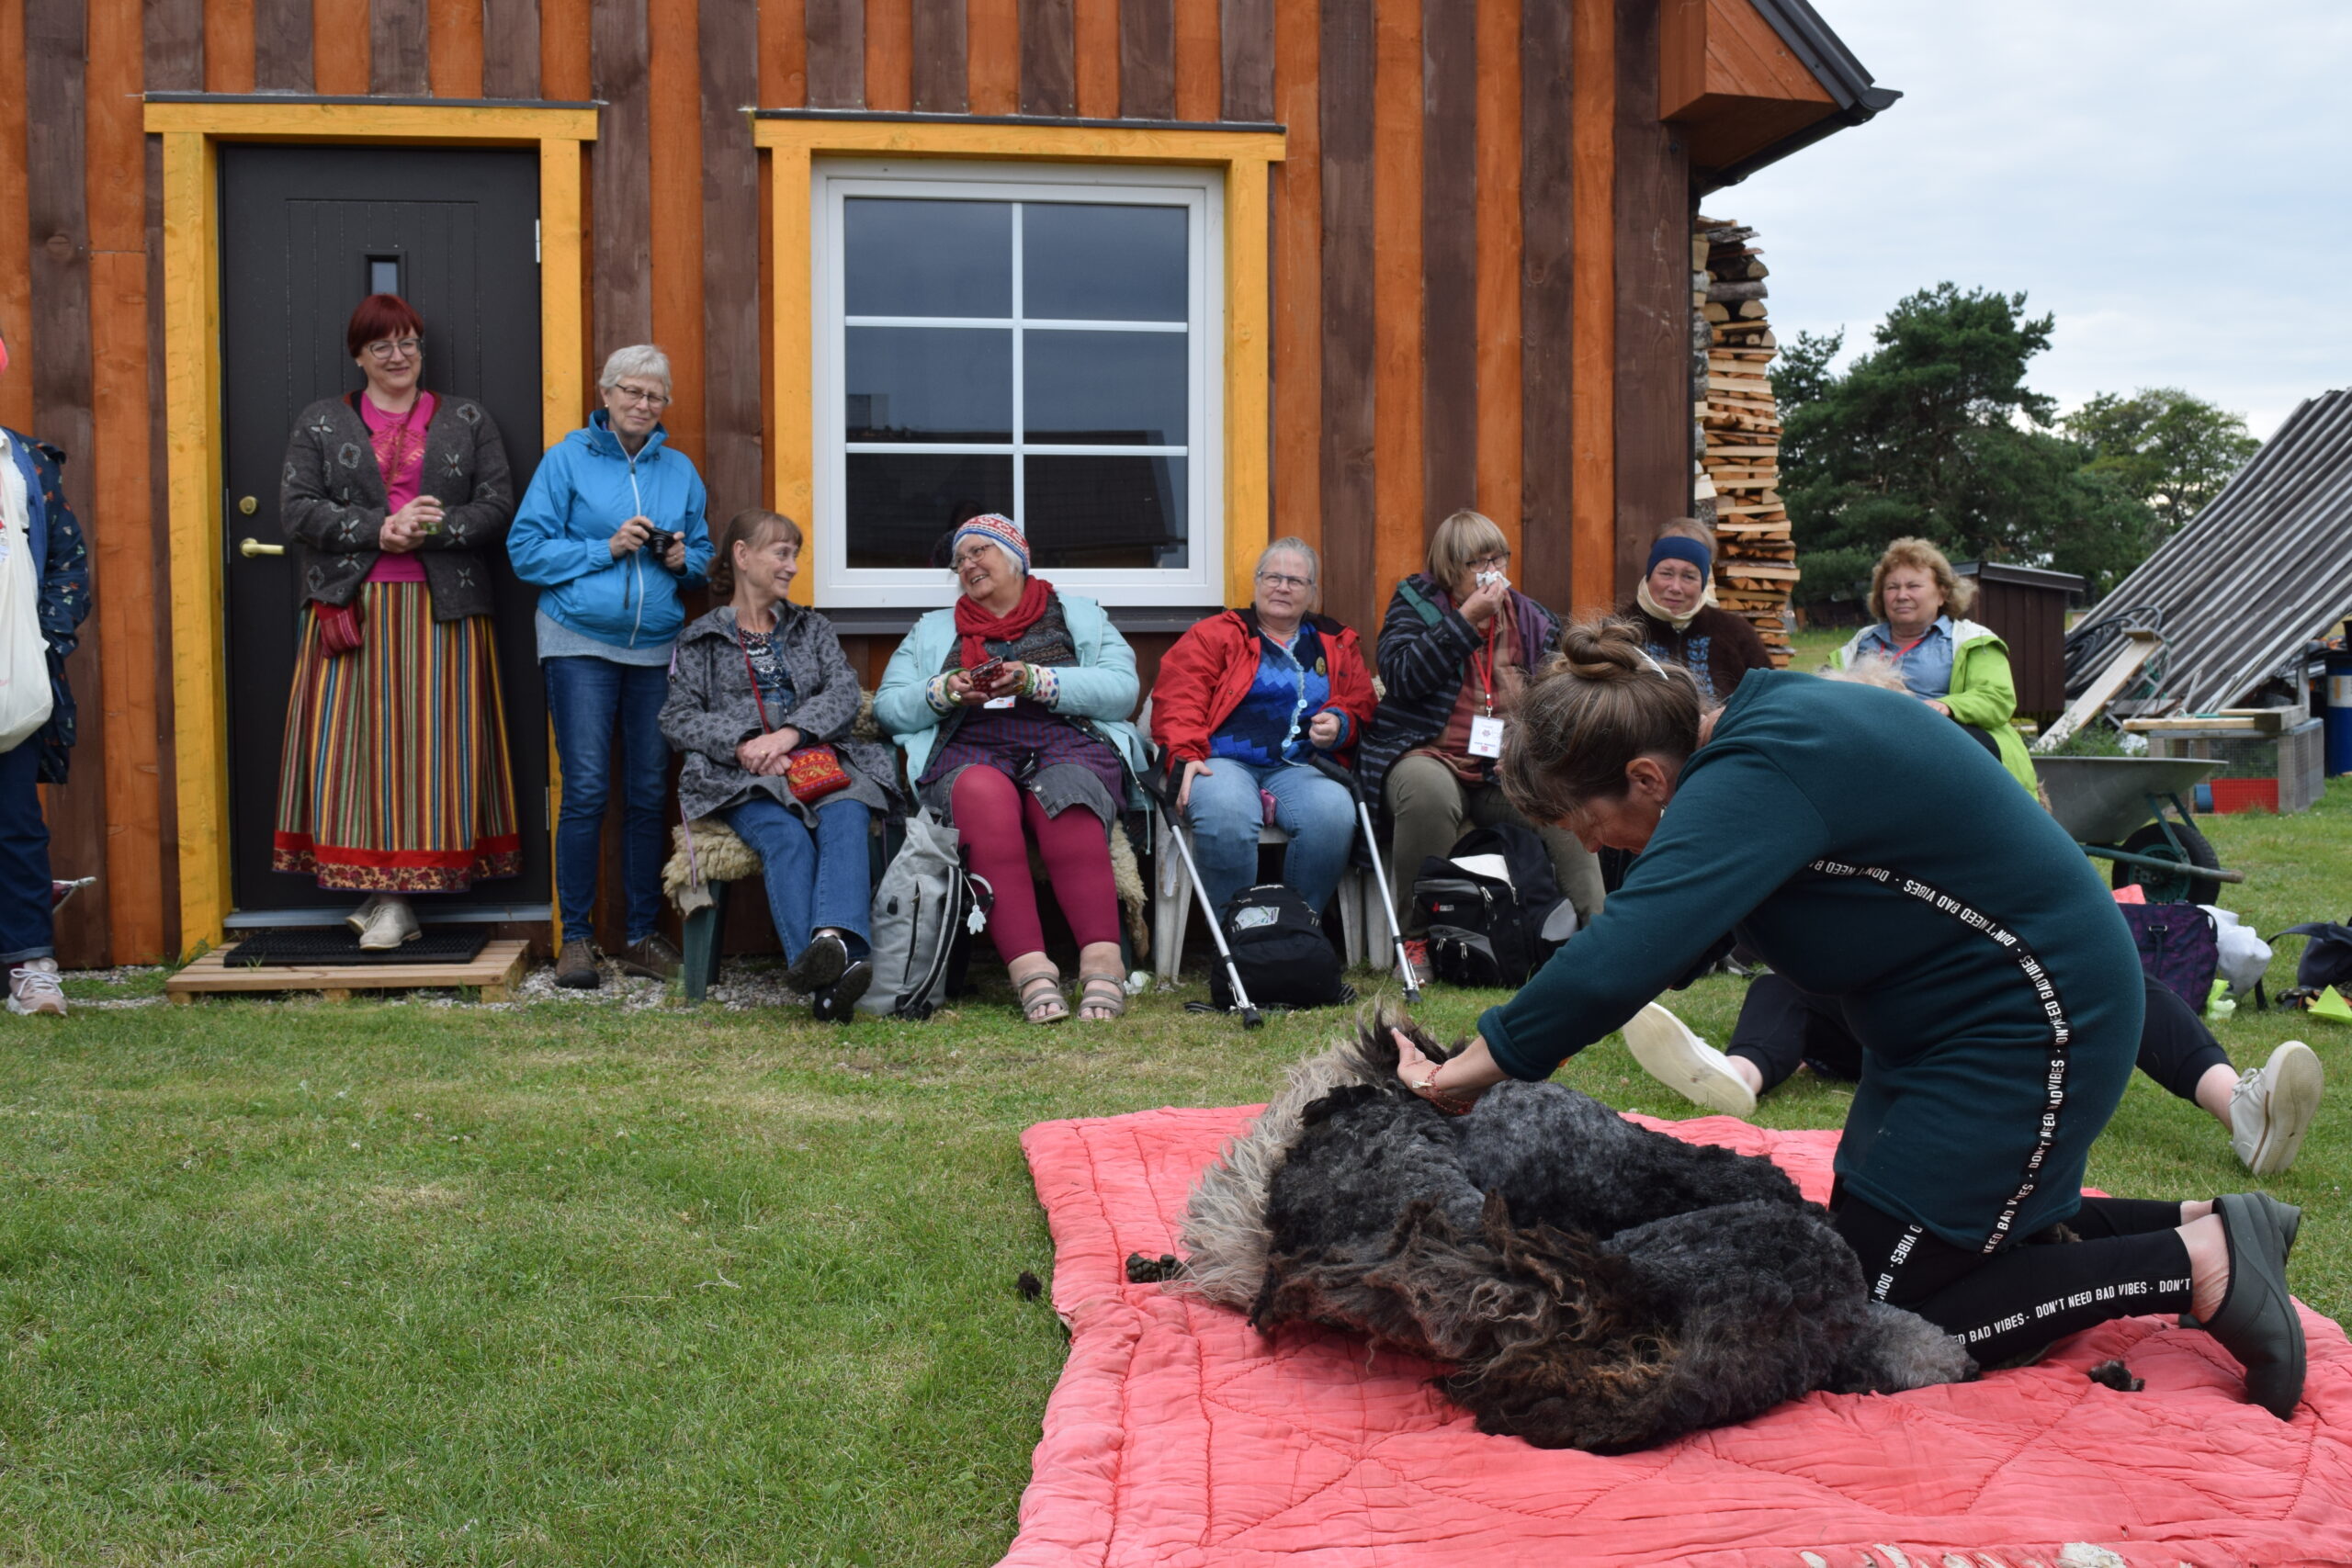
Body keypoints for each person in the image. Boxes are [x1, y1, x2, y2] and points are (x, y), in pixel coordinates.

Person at [1392, 618, 2307, 1419]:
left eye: (1581, 822)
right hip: (1944, 1025)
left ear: (1643, 774)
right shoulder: (1760, 731)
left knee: (1885, 1309)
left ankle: (2204, 1262)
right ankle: (2206, 1217)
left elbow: (1623, 957)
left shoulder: (1753, 771)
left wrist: (1460, 1073)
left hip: (2030, 1018)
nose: (1587, 846)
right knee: (1864, 1248)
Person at [274, 294, 521, 947]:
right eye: (382, 345)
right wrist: (377, 529)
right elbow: (297, 509)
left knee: (434, 750)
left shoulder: (467, 418)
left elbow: (498, 505)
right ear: (358, 354)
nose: (398, 356)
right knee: (359, 752)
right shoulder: (323, 422)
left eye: (409, 342)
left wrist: (429, 528)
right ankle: (382, 894)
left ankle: (399, 899)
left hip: (446, 611)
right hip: (349, 609)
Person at [1627, 971, 2326, 1175]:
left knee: (2125, 987)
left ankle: (2239, 1108)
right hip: (1879, 1022)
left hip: (1985, 1025)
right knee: (1783, 986)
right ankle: (1737, 1077)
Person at [873, 513, 1144, 1024]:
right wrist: (944, 690)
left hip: (1065, 740)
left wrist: (1037, 681)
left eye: (979, 551)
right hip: (969, 745)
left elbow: (1121, 691)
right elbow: (889, 707)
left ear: (1017, 557)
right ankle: (1032, 973)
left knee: (1068, 796)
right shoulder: (933, 630)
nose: (967, 564)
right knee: (981, 798)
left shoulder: (1078, 616)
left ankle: (1102, 966)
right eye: (959, 559)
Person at [509, 344, 714, 989]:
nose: (643, 404)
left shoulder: (679, 470)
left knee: (651, 790)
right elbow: (526, 551)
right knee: (590, 787)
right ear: (605, 394)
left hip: (654, 648)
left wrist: (684, 560)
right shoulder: (566, 460)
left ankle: (639, 935)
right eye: (632, 391)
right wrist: (606, 547)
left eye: (655, 396)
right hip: (578, 644)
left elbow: (705, 553)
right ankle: (575, 938)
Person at [660, 509, 896, 1021]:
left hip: (818, 763)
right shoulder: (700, 639)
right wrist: (744, 742)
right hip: (742, 778)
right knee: (785, 838)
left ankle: (832, 940)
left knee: (848, 811)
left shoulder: (812, 628)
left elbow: (841, 693)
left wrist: (791, 733)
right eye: (781, 553)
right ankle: (830, 981)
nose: (791, 566)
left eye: (795, 554)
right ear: (742, 556)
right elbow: (677, 718)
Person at [1357, 509, 1605, 978]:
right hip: (1428, 754)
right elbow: (1402, 678)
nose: (1491, 570)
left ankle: (1602, 939)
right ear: (1450, 568)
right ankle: (1417, 942)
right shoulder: (1415, 603)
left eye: (1498, 557)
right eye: (1477, 562)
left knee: (1562, 801)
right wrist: (1465, 621)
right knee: (1426, 793)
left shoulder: (1532, 619)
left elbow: (1560, 692)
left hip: (1501, 768)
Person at [1148, 537, 1374, 919]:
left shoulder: (1335, 642)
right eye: (1273, 577)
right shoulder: (1217, 633)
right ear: (1256, 583)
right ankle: (1237, 933)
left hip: (1301, 766)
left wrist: (1340, 722)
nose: (1283, 587)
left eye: (1296, 581)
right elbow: (1178, 696)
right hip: (1223, 760)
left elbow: (1361, 702)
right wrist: (1185, 754)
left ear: (1312, 593)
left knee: (1335, 814)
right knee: (1225, 814)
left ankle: (1296, 930)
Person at [0, 323, 90, 1016]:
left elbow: (67, 563)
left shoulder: (28, 463)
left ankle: (32, 966)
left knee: (15, 822)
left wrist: (48, 643)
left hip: (13, 677)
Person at [1834, 537, 2036, 792]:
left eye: (1913, 586)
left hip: (1948, 749)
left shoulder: (1973, 640)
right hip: (1870, 747)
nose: (1901, 595)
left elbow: (1996, 697)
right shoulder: (1858, 645)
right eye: (1892, 587)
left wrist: (1947, 705)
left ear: (1942, 593)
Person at [1617, 518, 1773, 704]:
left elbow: (1770, 698)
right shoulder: (1618, 631)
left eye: (1688, 576)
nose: (1675, 587)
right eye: (1666, 573)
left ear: (1703, 583)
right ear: (1650, 573)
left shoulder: (1736, 633)